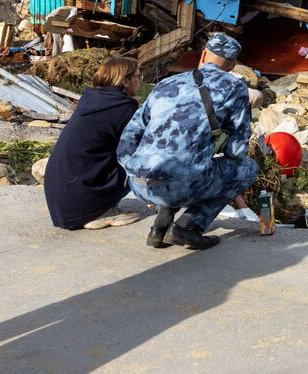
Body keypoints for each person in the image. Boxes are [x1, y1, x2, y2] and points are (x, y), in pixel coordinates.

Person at [116, 33, 259, 250]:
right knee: (247, 168)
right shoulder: (235, 87)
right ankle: (189, 227)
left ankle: (160, 227)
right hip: (181, 186)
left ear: (202, 56)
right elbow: (237, 150)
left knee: (175, 163)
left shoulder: (166, 83)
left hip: (139, 185)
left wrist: (135, 170)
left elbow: (129, 136)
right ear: (231, 66)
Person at [43, 56, 146, 230]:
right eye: (138, 76)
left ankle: (95, 207)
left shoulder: (92, 100)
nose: (141, 81)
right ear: (126, 81)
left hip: (62, 201)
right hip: (82, 200)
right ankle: (102, 212)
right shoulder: (122, 107)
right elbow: (141, 148)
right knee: (146, 160)